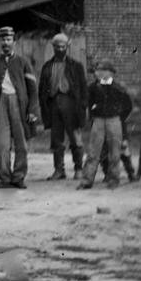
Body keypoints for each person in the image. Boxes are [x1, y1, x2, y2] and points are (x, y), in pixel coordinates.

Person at [0, 26, 39, 189]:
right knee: (1, 144)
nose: (6, 42)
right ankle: (5, 177)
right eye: (3, 39)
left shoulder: (23, 62)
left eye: (8, 39)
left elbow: (33, 89)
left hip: (19, 105)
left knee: (21, 144)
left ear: (13, 41)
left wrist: (33, 110)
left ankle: (18, 177)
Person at [38, 33, 87, 181]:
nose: (60, 49)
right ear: (53, 47)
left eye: (63, 47)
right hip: (54, 104)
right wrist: (44, 105)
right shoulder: (47, 66)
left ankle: (78, 169)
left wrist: (82, 107)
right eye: (57, 47)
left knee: (75, 139)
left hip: (71, 105)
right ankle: (59, 170)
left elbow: (83, 89)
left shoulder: (76, 66)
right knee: (56, 139)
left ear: (67, 47)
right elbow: (42, 89)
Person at [81, 59, 131, 190]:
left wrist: (119, 117)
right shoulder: (92, 88)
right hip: (98, 121)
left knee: (115, 152)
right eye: (97, 70)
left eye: (102, 70)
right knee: (93, 151)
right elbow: (88, 102)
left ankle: (114, 179)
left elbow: (127, 106)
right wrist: (93, 115)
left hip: (114, 121)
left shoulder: (119, 88)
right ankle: (87, 180)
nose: (98, 73)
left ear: (110, 73)